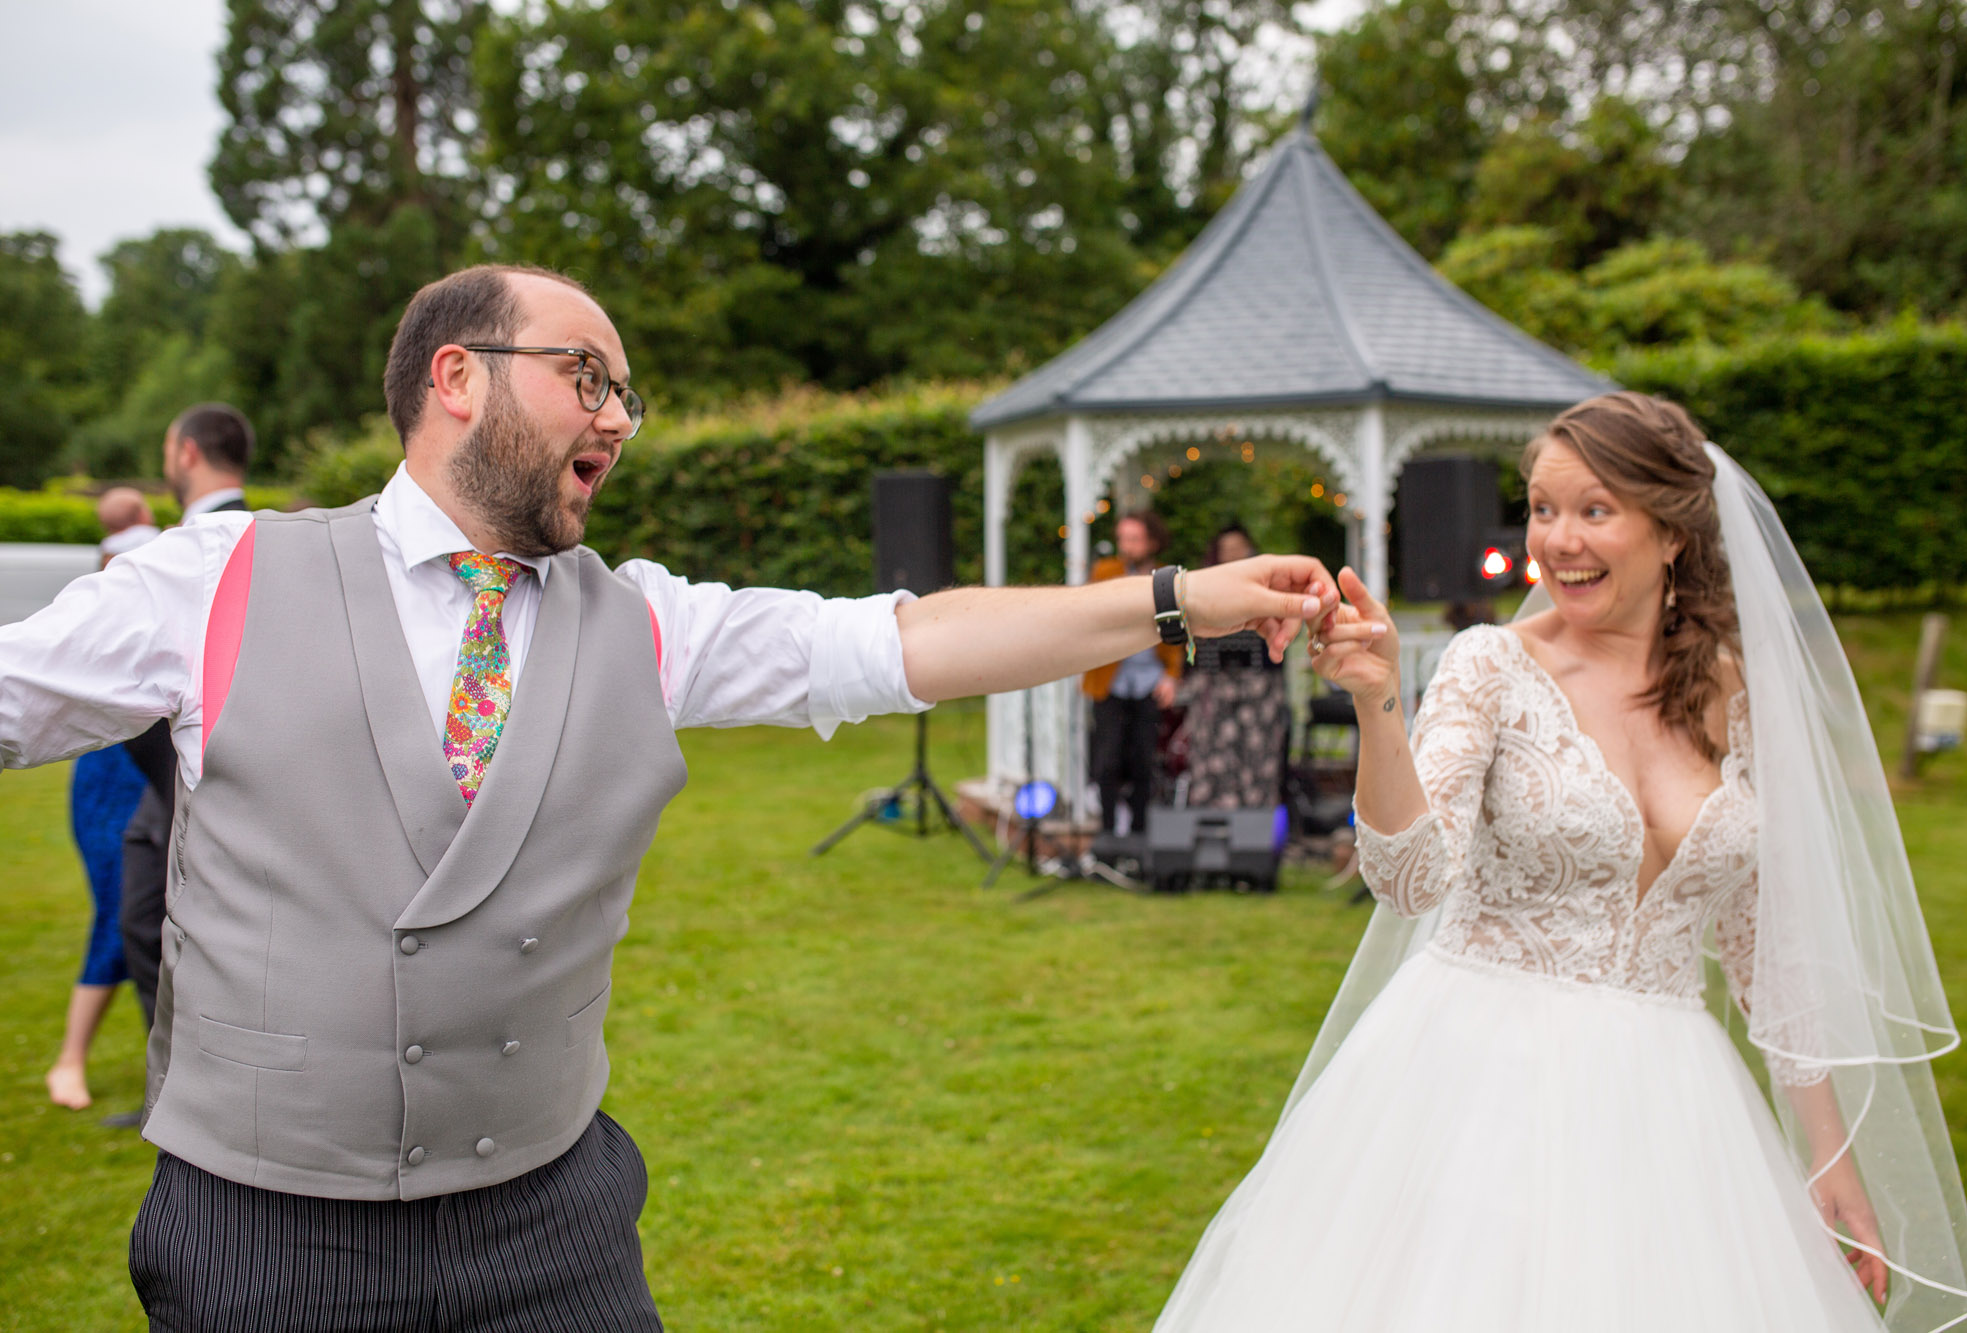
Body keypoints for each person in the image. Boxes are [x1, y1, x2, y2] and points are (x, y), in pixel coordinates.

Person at [0, 263, 1333, 1330]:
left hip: (551, 1233)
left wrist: (1169, 604)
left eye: (628, 392)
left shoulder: (647, 622)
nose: (620, 419)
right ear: (455, 378)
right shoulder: (215, 579)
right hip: (263, 1238)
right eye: (589, 377)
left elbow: (906, 642)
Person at [1153, 393, 1967, 1332]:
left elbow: (1764, 946)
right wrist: (1379, 705)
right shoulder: (1490, 666)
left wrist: (1829, 1156)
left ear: (1672, 530)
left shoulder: (1734, 686)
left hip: (1675, 1107)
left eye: (1594, 510)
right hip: (1477, 1081)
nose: (1558, 540)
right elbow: (1411, 880)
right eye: (1542, 509)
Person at [118, 405, 255, 1040]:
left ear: (188, 452)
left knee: (189, 946)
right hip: (159, 792)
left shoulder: (237, 544)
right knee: (142, 929)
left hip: (196, 783)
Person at [44, 492, 162, 1110]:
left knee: (134, 917)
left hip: (144, 768)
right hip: (112, 769)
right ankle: (69, 1059)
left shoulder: (158, 550)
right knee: (119, 914)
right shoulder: (131, 565)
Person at [1083, 511, 1184, 833]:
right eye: (1122, 539)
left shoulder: (1165, 577)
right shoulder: (1106, 572)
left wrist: (1171, 676)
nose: (1127, 546)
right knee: (1107, 759)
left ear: (1152, 542)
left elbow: (1175, 632)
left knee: (1143, 759)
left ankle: (1140, 832)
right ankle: (1108, 829)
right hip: (1110, 680)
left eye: (1134, 539)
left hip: (1148, 679)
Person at [1179, 523, 1288, 809]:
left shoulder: (1267, 585)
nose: (1233, 554)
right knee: (1212, 749)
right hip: (1214, 682)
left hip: (1257, 682)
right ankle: (1212, 820)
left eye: (1238, 548)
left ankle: (1257, 823)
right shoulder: (1203, 584)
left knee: (1257, 751)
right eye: (1227, 550)